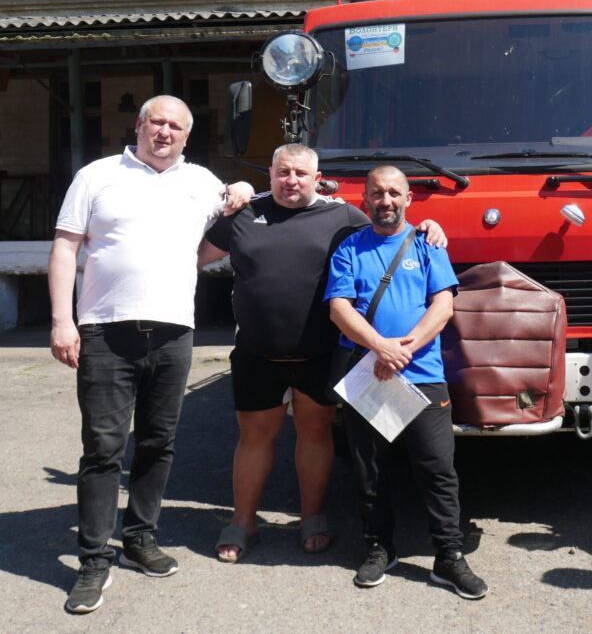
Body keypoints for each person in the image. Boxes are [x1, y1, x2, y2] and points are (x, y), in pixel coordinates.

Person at [49, 95, 253, 614]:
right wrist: (61, 320)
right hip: (103, 332)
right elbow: (66, 247)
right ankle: (94, 559)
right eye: (156, 122)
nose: (165, 132)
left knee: (158, 443)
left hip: (172, 334)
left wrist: (244, 189)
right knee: (103, 449)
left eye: (176, 126)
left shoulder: (201, 182)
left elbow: (228, 222)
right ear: (139, 126)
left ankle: (140, 538)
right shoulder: (97, 175)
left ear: (187, 136)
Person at [197, 144, 445, 562]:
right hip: (258, 356)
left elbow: (388, 232)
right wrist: (227, 195)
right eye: (282, 172)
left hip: (318, 355)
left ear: (316, 177)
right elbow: (193, 257)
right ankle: (243, 522)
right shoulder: (242, 215)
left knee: (314, 436)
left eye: (299, 173)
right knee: (254, 438)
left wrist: (429, 227)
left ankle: (312, 517)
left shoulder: (342, 217)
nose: (290, 180)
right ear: (270, 173)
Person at [324, 165, 488, 599]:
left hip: (423, 376)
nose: (386, 201)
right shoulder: (349, 249)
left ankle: (448, 557)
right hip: (369, 374)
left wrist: (403, 351)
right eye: (377, 193)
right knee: (371, 471)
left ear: (408, 198)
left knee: (437, 470)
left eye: (394, 193)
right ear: (365, 200)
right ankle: (379, 549)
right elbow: (339, 308)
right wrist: (380, 347)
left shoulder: (429, 244)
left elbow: (444, 306)